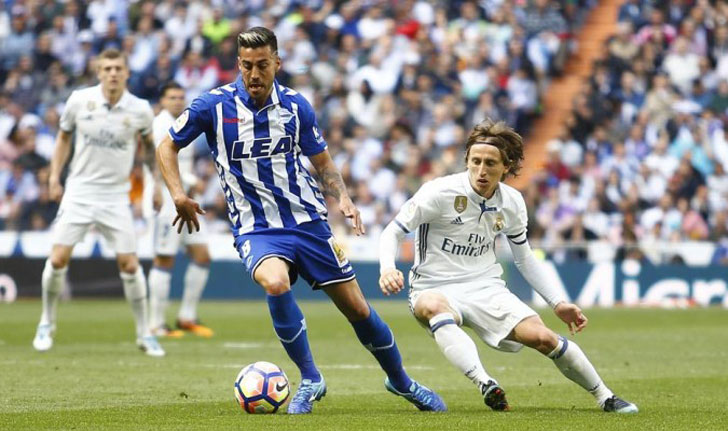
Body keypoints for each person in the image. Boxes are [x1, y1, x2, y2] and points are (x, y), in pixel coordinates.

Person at [156, 27, 446, 414]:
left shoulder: (296, 107)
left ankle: (402, 382)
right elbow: (167, 145)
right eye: (246, 66)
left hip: (307, 221)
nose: (254, 74)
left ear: (277, 62)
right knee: (275, 283)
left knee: (358, 310)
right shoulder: (213, 106)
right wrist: (177, 194)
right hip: (256, 227)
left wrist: (342, 196)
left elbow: (322, 162)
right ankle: (311, 377)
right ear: (238, 65)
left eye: (262, 65)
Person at [378, 118, 638, 413]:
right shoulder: (439, 192)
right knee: (435, 307)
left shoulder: (512, 202)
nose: (481, 170)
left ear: (506, 166)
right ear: (466, 160)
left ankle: (606, 396)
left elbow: (524, 257)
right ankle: (485, 383)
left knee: (543, 337)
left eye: (490, 163)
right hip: (433, 286)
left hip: (485, 286)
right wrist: (388, 268)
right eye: (475, 161)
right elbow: (393, 231)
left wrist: (558, 303)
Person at [32, 49, 164, 357]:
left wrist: (155, 185)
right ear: (98, 71)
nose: (113, 73)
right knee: (58, 259)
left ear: (127, 72)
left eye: (118, 68)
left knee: (129, 264)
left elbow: (148, 149)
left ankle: (145, 333)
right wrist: (54, 177)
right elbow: (64, 137)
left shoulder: (140, 110)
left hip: (115, 195)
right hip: (79, 191)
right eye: (107, 68)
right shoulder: (80, 100)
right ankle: (46, 322)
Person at [144, 81, 213, 339]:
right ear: (162, 101)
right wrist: (154, 186)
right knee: (164, 258)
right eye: (171, 97)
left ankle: (186, 316)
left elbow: (183, 163)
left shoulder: (186, 123)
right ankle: (155, 323)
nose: (177, 101)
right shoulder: (158, 124)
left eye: (180, 96)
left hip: (185, 199)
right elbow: (153, 158)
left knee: (202, 254)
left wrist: (192, 181)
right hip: (165, 199)